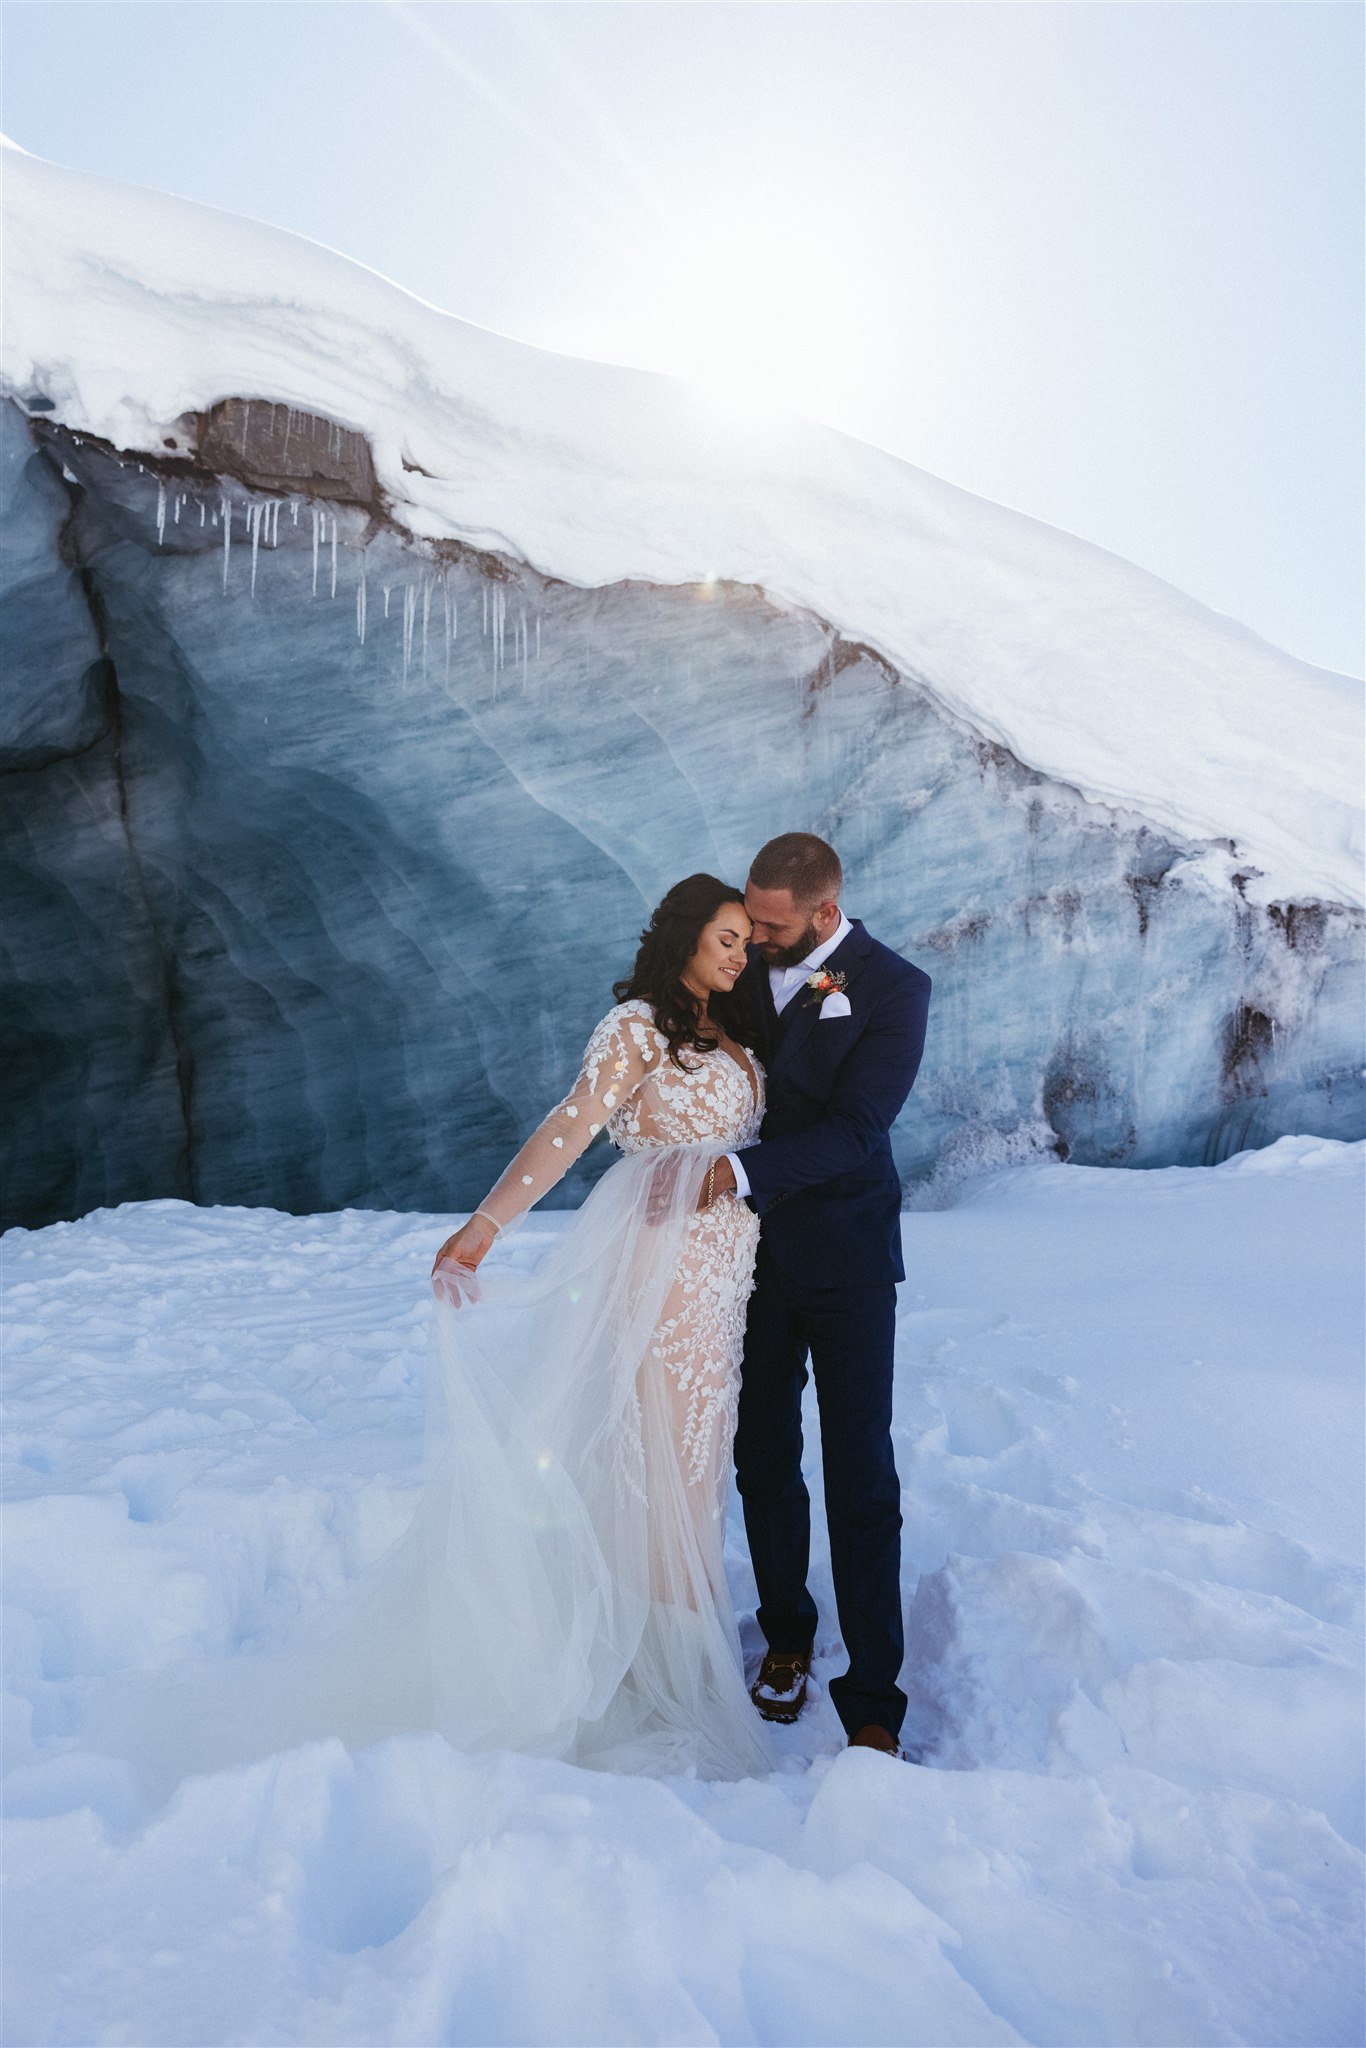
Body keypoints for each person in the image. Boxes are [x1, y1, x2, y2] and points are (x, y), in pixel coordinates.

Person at [704, 833, 932, 1759]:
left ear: (824, 915)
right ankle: (787, 1635)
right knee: (762, 1454)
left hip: (846, 1261)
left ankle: (874, 1692)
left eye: (771, 924)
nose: (752, 937)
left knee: (860, 1472)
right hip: (750, 1260)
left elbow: (860, 1130)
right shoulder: (750, 967)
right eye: (748, 920)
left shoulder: (895, 989)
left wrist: (736, 1171)